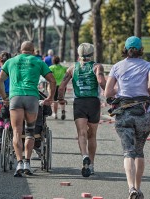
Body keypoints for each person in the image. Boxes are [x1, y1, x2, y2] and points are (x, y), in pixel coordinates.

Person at [104, 36, 150, 199]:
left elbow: (108, 92)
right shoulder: (149, 66)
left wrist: (120, 90)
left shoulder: (117, 67)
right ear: (141, 50)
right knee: (139, 151)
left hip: (124, 113)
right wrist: (147, 88)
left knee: (128, 151)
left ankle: (131, 188)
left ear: (125, 50)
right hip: (144, 113)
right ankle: (139, 188)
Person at [0, 41, 56, 177]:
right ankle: (27, 163)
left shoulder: (11, 61)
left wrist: (4, 97)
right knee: (30, 131)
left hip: (15, 98)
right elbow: (52, 80)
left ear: (20, 50)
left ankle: (19, 163)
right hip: (32, 98)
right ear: (33, 50)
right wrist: (50, 97)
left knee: (17, 132)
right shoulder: (38, 61)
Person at [57, 43, 106, 177]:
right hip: (93, 102)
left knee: (81, 133)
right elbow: (101, 82)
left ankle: (84, 155)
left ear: (78, 54)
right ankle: (92, 165)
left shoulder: (72, 68)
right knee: (92, 135)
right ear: (92, 54)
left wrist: (61, 99)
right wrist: (111, 95)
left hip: (79, 103)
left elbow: (61, 87)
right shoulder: (97, 67)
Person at [49, 56, 67, 120]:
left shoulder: (51, 68)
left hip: (54, 85)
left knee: (55, 100)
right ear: (59, 61)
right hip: (62, 86)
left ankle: (55, 113)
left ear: (53, 61)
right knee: (61, 99)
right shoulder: (63, 68)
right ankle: (63, 111)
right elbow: (67, 72)